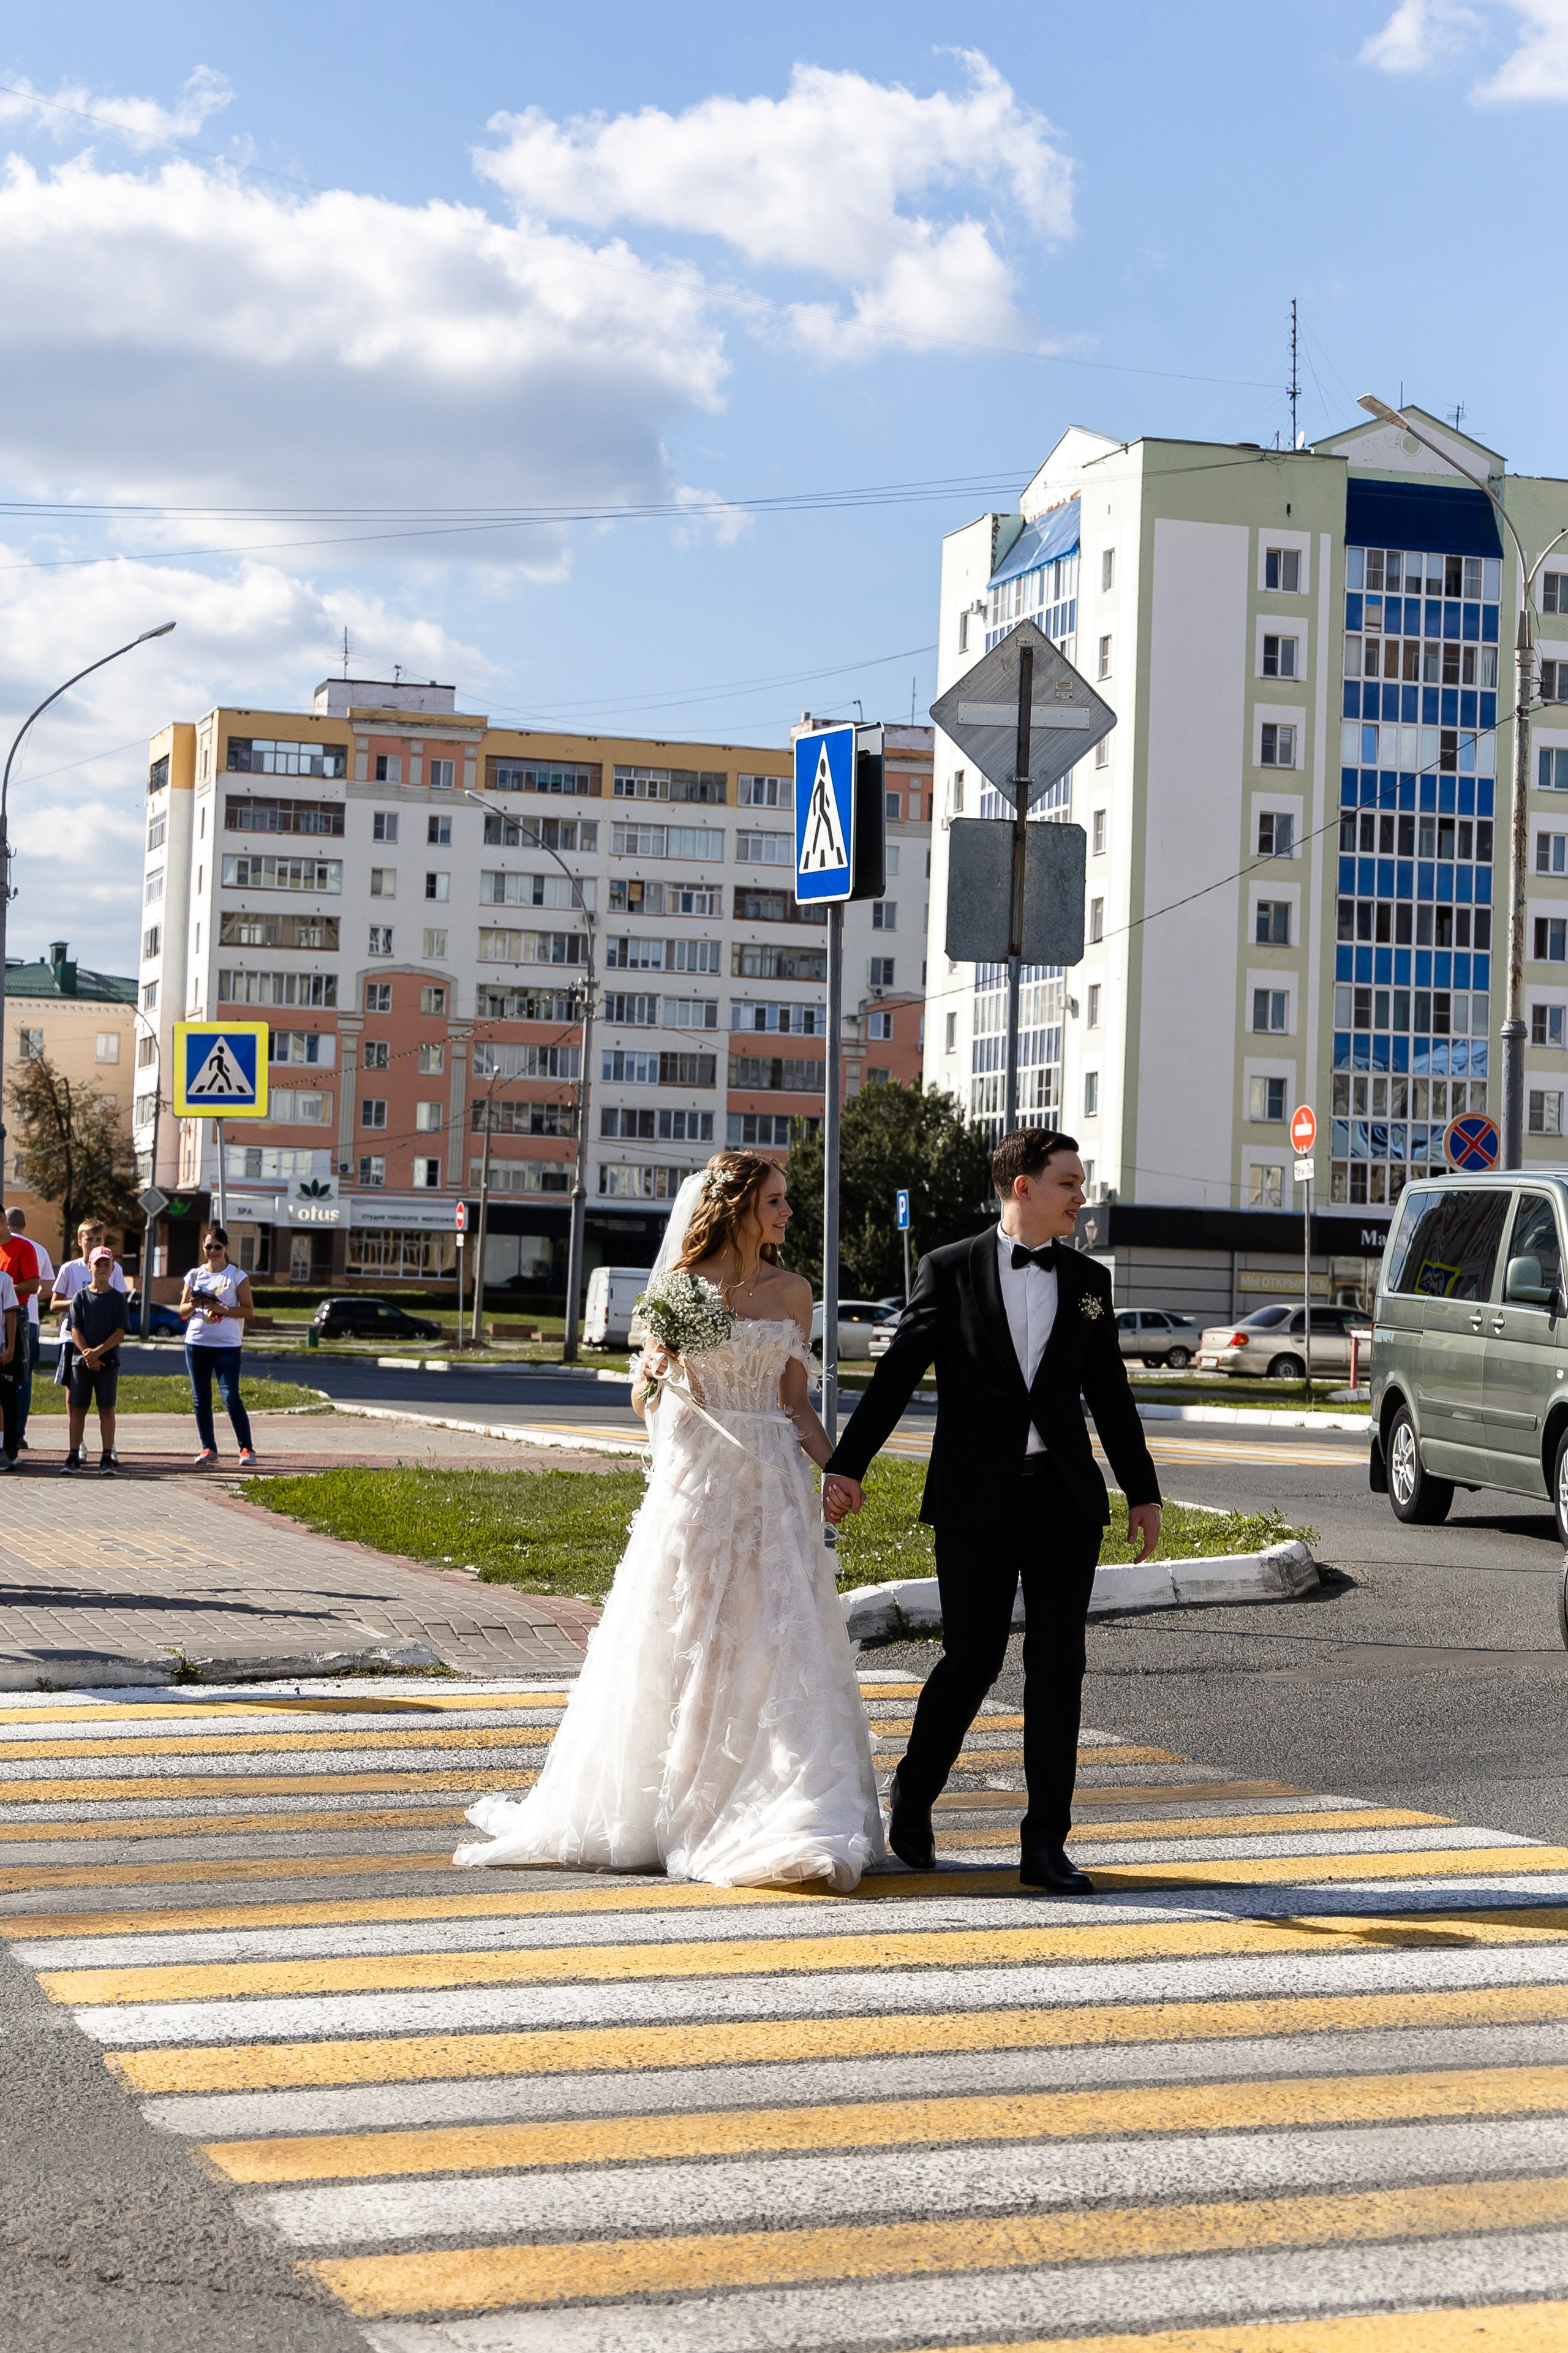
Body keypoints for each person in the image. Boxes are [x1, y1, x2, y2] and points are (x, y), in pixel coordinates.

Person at [455, 1150, 886, 1889]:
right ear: (737, 1207)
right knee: (690, 1630)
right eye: (775, 1201)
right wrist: (659, 1384)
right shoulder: (680, 1291)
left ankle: (789, 1798)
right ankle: (668, 1799)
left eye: (786, 1201)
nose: (787, 1213)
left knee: (777, 1636)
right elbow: (643, 1398)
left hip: (773, 1488)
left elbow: (794, 1402)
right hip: (700, 1486)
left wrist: (836, 1467)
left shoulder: (793, 1292)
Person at [821, 1129, 1163, 1896]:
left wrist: (1141, 1490)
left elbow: (1109, 1392)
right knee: (971, 1660)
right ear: (1023, 1188)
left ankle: (1045, 1844)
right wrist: (847, 1463)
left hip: (1063, 1500)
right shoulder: (947, 1269)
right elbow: (896, 1375)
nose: (1082, 1196)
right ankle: (916, 1787)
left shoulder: (1086, 1279)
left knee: (1057, 1670)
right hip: (975, 1499)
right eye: (1069, 1182)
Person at [179, 1226, 256, 1467]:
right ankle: (208, 1448)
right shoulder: (194, 1275)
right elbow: (182, 1312)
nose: (212, 1252)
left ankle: (246, 1449)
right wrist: (195, 1303)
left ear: (226, 1248)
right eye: (208, 1247)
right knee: (200, 1398)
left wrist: (224, 1310)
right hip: (197, 1343)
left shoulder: (237, 1276)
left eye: (217, 1247)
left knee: (231, 1396)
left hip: (227, 1346)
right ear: (203, 1248)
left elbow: (248, 1310)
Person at [64, 1248, 127, 1475]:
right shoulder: (81, 1297)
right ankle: (73, 1455)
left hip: (108, 1362)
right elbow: (74, 1329)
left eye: (106, 1265)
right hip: (81, 1362)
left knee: (107, 1408)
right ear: (89, 1267)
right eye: (97, 1264)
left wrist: (99, 1352)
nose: (101, 1269)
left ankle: (107, 1456)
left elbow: (120, 1332)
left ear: (112, 1269)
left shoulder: (117, 1299)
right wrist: (87, 1354)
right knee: (78, 1407)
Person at [50, 1222, 127, 1397]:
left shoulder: (113, 1268)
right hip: (72, 1337)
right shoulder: (69, 1269)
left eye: (98, 1239)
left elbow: (119, 1304)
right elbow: (54, 1305)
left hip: (104, 1340)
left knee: (106, 1396)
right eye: (89, 1239)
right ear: (79, 1241)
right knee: (73, 1389)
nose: (94, 1243)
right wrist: (82, 1302)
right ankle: (73, 1424)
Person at [9, 1209, 52, 1451]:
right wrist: (29, 1293)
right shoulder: (38, 1249)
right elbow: (45, 1288)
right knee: (24, 1377)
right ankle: (19, 1432)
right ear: (25, 1224)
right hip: (31, 1317)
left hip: (7, 1317)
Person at [0, 1210, 39, 1449]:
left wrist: (6, 1289)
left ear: (3, 1222)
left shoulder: (23, 1248)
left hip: (16, 1316)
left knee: (16, 1379)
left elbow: (34, 1285)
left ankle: (14, 1438)